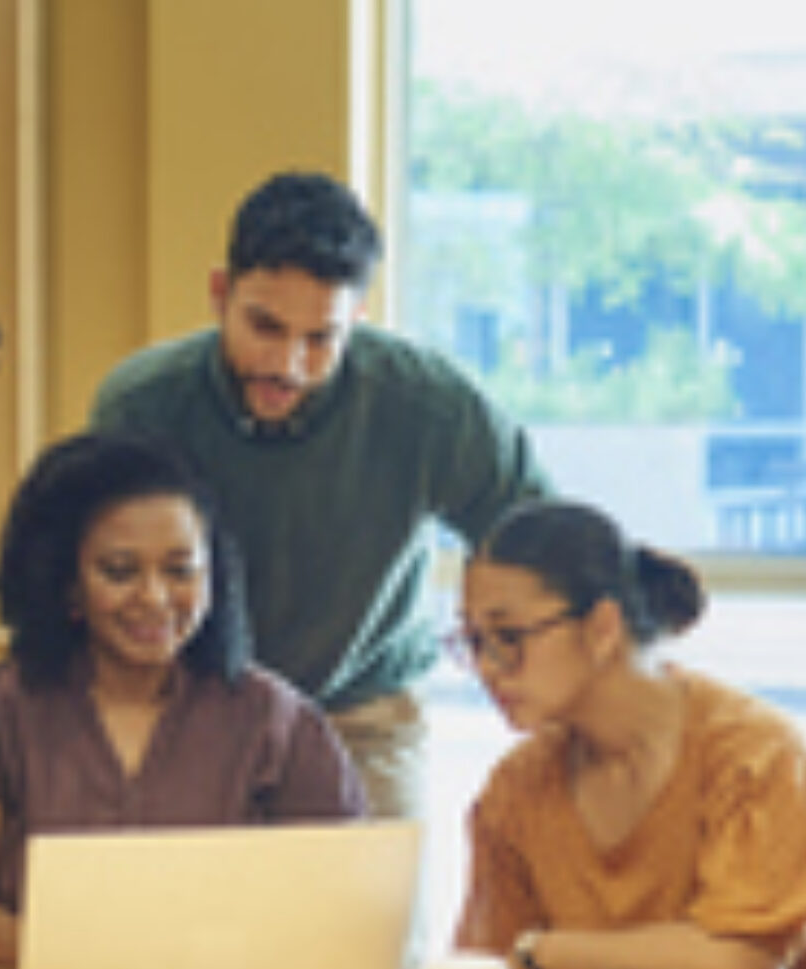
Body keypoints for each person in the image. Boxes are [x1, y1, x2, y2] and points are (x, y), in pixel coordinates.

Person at [90, 170, 550, 820]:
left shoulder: (429, 406)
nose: (288, 365)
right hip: (189, 712)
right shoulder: (142, 404)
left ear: (357, 318)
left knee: (370, 922)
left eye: (320, 338)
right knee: (187, 919)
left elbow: (542, 541)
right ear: (220, 294)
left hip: (365, 715)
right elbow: (86, 573)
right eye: (266, 327)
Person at [0, 433, 367, 968]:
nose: (155, 598)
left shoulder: (281, 722)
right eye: (120, 570)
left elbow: (335, 902)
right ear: (63, 583)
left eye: (180, 570)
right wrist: (96, 967)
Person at [451, 498, 806, 969]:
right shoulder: (517, 786)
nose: (488, 668)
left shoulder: (754, 752)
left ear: (603, 627)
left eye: (509, 636)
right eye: (474, 641)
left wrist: (547, 951)